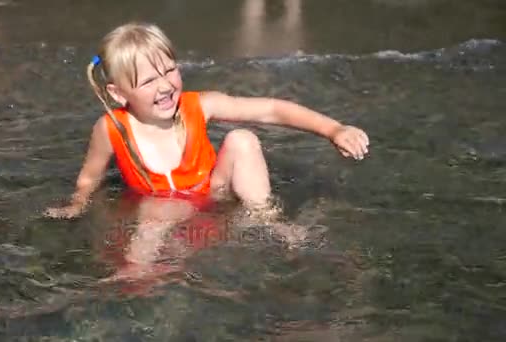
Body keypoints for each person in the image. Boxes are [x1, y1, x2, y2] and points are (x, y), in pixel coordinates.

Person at [44, 22, 369, 266]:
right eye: (148, 81)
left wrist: (334, 129)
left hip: (216, 195)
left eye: (170, 71)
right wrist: (77, 204)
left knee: (242, 139)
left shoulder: (199, 106)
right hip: (156, 212)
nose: (165, 86)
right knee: (151, 225)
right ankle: (137, 282)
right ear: (118, 93)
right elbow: (90, 176)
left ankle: (268, 220)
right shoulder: (111, 128)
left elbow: (271, 109)